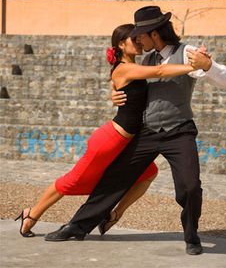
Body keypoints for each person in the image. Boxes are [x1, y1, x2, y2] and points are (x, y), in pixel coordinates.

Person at [44, 6, 226, 255]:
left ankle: (191, 235)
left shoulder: (187, 52)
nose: (137, 40)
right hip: (148, 130)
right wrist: (115, 95)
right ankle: (76, 227)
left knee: (189, 187)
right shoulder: (148, 59)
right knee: (115, 178)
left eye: (140, 35)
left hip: (180, 130)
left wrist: (208, 66)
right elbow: (133, 90)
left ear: (154, 33)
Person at [15, 23, 198, 238]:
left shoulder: (132, 67)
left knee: (149, 173)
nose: (139, 41)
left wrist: (114, 92)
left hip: (130, 140)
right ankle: (32, 213)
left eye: (140, 37)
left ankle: (114, 214)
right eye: (134, 38)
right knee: (72, 181)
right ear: (121, 44)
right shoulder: (124, 68)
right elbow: (159, 70)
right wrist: (196, 66)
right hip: (110, 139)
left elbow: (140, 87)